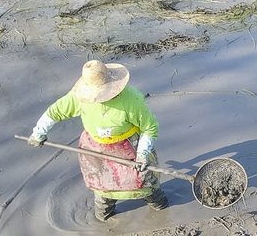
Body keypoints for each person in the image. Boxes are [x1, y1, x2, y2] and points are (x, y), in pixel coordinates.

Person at [26, 60, 168, 222]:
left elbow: (149, 128)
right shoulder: (79, 98)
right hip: (96, 153)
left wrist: (142, 154)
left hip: (130, 149)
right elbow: (55, 112)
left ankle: (160, 207)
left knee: (146, 184)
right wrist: (39, 133)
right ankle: (104, 215)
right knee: (103, 190)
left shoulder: (132, 99)